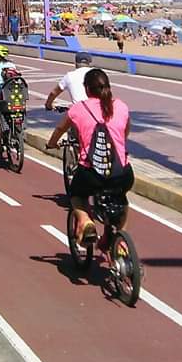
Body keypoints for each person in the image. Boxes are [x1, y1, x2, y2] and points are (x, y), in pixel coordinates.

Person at [46, 69, 133, 245]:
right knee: (121, 200)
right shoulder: (121, 106)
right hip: (122, 172)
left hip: (91, 173)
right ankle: (121, 241)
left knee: (77, 195)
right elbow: (125, 133)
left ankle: (86, 222)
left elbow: (59, 130)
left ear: (87, 89)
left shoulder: (78, 109)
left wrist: (52, 144)